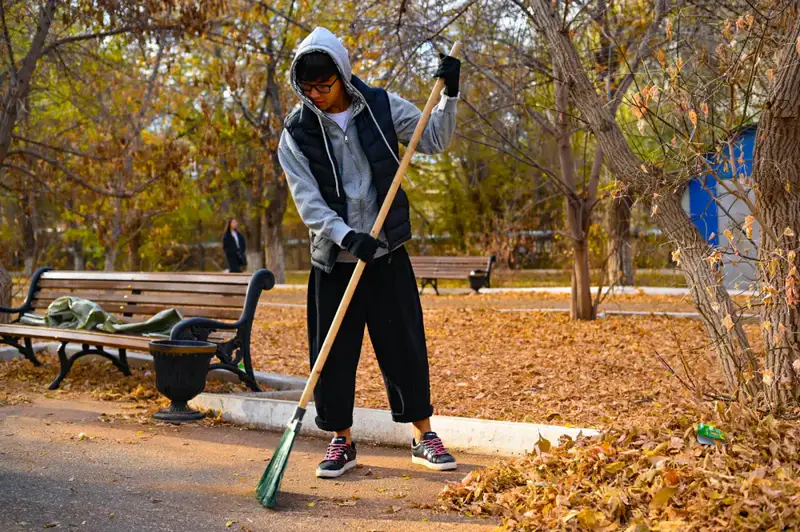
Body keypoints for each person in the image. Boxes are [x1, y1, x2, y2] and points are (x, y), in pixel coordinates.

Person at [278, 26, 461, 479]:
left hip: (386, 255)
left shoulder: (379, 106)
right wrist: (344, 235)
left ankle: (422, 435)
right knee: (333, 354)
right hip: (335, 260)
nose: (317, 95)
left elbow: (433, 138)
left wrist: (450, 95)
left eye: (325, 85)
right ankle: (341, 440)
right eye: (309, 88)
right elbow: (308, 202)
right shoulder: (296, 132)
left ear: (342, 74)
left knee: (404, 347)